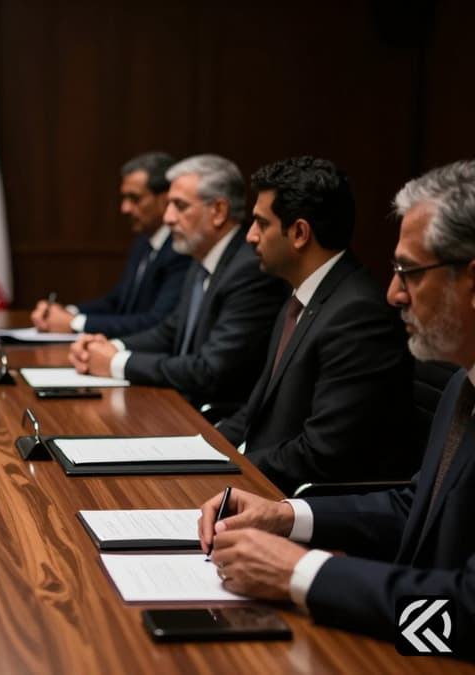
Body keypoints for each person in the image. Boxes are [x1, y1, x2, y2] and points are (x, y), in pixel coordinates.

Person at [199, 160, 475, 657]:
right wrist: (286, 516)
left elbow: (467, 622)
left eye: (409, 272)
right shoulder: (463, 382)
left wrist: (300, 573)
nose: (394, 293)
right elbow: (416, 509)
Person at [215, 156, 416, 494]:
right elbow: (254, 414)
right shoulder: (301, 296)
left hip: (297, 501)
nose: (250, 237)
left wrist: (229, 467)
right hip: (261, 483)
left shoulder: (358, 314)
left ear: (299, 233)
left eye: (261, 224)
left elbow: (323, 453)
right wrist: (200, 453)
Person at [69, 154, 286, 413]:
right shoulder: (200, 256)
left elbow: (211, 370)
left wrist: (117, 362)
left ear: (218, 211)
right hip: (179, 405)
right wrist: (107, 347)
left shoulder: (250, 270)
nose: (169, 217)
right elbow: (170, 331)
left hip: (218, 417)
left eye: (180, 206)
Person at [30, 152, 190, 335]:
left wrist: (75, 323)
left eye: (135, 198)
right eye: (124, 198)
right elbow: (117, 301)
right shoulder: (143, 243)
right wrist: (66, 313)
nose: (125, 208)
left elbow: (156, 321)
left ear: (164, 199)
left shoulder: (181, 250)